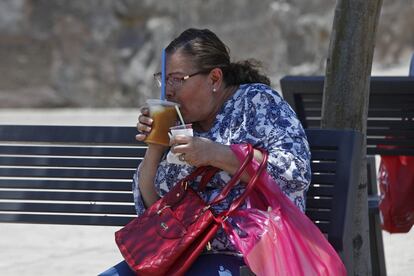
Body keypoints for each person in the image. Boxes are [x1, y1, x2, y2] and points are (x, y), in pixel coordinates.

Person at [100, 28, 311, 276]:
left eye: (177, 79)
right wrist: (155, 149)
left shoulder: (256, 103)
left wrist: (215, 154)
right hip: (178, 252)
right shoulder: (180, 122)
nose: (167, 91)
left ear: (214, 79)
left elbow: (296, 174)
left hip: (245, 255)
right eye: (163, 79)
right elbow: (151, 209)